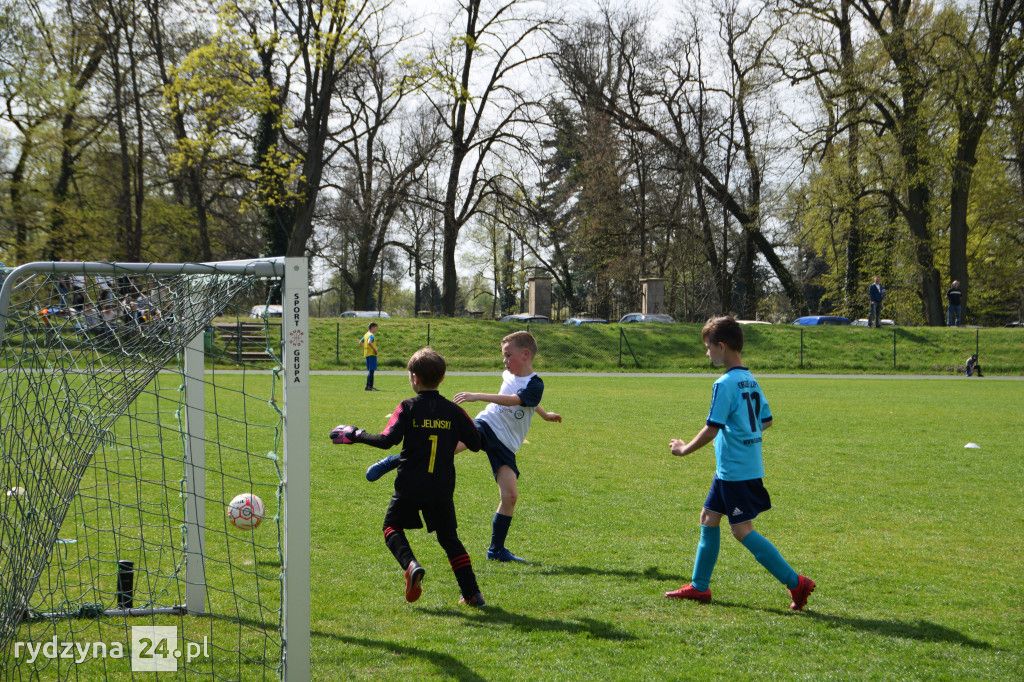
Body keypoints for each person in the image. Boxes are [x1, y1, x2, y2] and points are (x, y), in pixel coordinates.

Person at [365, 331, 562, 563]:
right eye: (504, 356)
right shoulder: (510, 375)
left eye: (508, 355)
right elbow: (520, 397)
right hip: (486, 425)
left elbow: (521, 399)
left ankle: (496, 550)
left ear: (526, 355)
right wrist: (540, 412)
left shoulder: (535, 383)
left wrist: (544, 414)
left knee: (510, 496)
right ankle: (393, 461)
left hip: (506, 444)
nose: (504, 360)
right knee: (445, 450)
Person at [664, 315, 815, 610]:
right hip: (734, 468)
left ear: (721, 346)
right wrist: (745, 436)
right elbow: (766, 420)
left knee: (742, 530)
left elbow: (712, 428)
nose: (707, 353)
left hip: (735, 470)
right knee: (708, 518)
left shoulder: (725, 383)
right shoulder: (750, 379)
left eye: (708, 347)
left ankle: (797, 583)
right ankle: (699, 587)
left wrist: (683, 449)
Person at [330, 347, 487, 606]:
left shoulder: (407, 407)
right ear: (442, 378)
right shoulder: (454, 411)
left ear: (414, 377)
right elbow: (476, 443)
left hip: (410, 484)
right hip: (441, 485)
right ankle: (472, 594)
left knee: (391, 527)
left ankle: (411, 565)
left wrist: (355, 434)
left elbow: (386, 440)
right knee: (449, 539)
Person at [359, 322, 380, 391]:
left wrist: (366, 348)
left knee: (370, 371)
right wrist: (374, 350)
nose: (376, 330)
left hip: (367, 354)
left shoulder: (366, 335)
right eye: (376, 328)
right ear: (372, 328)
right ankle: (369, 386)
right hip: (372, 354)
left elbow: (360, 342)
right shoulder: (371, 335)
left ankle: (369, 386)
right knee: (371, 371)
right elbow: (369, 342)